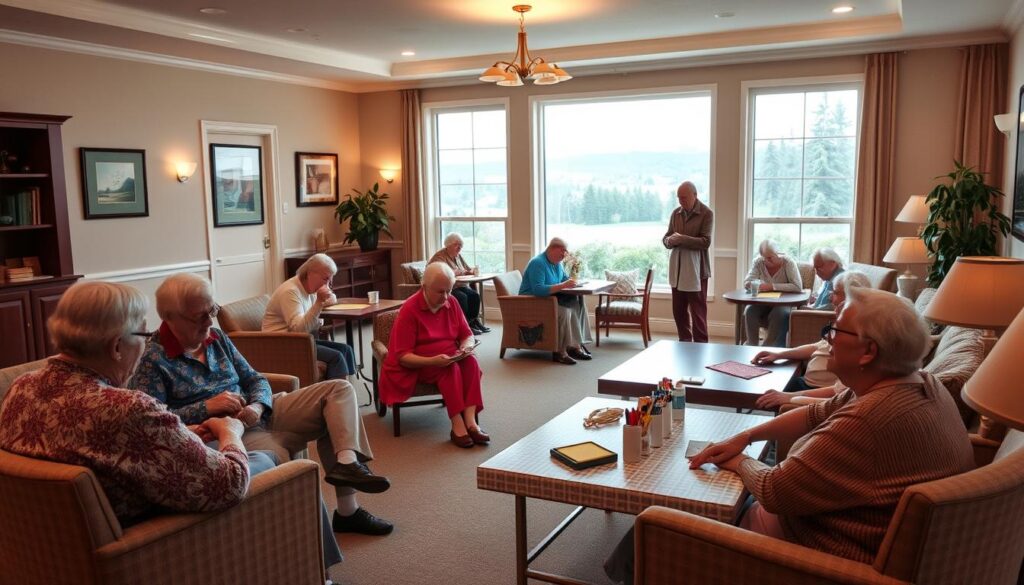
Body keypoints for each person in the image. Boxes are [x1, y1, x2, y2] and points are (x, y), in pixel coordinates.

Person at [605, 288, 974, 584]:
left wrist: (736, 459)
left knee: (660, 517)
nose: (826, 337)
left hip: (813, 554)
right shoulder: (918, 383)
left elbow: (774, 491)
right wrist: (745, 437)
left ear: (868, 351)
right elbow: (815, 411)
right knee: (714, 483)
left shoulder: (869, 421)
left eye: (834, 330)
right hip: (834, 523)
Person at [129, 273, 394, 537]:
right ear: (170, 318)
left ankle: (348, 493)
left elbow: (254, 378)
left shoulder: (216, 338)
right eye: (200, 316)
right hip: (225, 434)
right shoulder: (151, 360)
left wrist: (258, 406)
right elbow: (158, 423)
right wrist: (206, 407)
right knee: (283, 463)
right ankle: (312, 558)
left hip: (259, 411)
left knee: (338, 391)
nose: (210, 320)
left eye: (212, 310)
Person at [378, 262, 487, 449]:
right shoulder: (410, 310)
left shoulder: (451, 302)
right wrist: (433, 361)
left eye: (449, 291)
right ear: (424, 287)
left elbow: (466, 333)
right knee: (449, 368)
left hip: (448, 356)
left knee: (471, 362)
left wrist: (466, 347)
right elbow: (403, 356)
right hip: (419, 364)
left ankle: (471, 421)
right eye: (440, 292)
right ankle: (457, 425)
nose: (446, 297)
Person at [752, 271, 871, 409]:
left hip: (815, 389)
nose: (830, 296)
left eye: (836, 292)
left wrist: (790, 397)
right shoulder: (844, 323)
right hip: (805, 382)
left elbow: (838, 393)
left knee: (765, 394)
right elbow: (818, 346)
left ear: (852, 295)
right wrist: (779, 354)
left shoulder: (857, 333)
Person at [262, 253, 356, 380]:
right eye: (326, 279)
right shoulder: (290, 292)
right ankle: (336, 396)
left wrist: (324, 295)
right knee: (337, 357)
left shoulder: (310, 288)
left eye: (330, 280)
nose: (328, 284)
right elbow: (298, 329)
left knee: (346, 349)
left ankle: (348, 393)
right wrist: (318, 303)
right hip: (282, 345)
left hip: (299, 341)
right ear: (310, 274)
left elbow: (331, 299)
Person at [520, 237, 593, 365]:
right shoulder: (538, 263)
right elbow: (538, 290)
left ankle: (575, 346)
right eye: (563, 251)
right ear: (553, 249)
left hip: (550, 300)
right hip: (533, 303)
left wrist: (573, 282)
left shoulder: (557, 264)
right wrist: (563, 285)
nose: (565, 255)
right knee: (564, 312)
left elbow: (564, 279)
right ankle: (560, 352)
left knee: (577, 303)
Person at [663, 181, 713, 343]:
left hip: (697, 271)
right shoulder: (675, 213)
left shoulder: (706, 213)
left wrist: (681, 239)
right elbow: (666, 238)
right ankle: (684, 342)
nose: (681, 201)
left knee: (698, 312)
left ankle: (701, 345)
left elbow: (705, 242)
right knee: (678, 311)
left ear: (695, 195)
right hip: (677, 270)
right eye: (678, 198)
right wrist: (669, 241)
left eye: (684, 198)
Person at [742, 239, 802, 347]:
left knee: (779, 313)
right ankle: (751, 345)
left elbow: (797, 286)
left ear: (778, 253)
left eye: (770, 257)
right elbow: (747, 282)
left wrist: (771, 286)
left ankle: (769, 346)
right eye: (765, 257)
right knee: (749, 310)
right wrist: (754, 284)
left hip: (784, 303)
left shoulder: (788, 263)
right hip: (763, 301)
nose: (767, 260)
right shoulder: (758, 262)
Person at [429, 232, 490, 335]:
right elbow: (441, 273)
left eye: (461, 245)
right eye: (457, 245)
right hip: (447, 288)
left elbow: (466, 269)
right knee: (462, 297)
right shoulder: (439, 257)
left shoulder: (458, 256)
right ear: (448, 245)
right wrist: (454, 272)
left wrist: (471, 271)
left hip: (460, 285)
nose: (459, 248)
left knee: (474, 295)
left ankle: (473, 322)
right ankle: (464, 326)